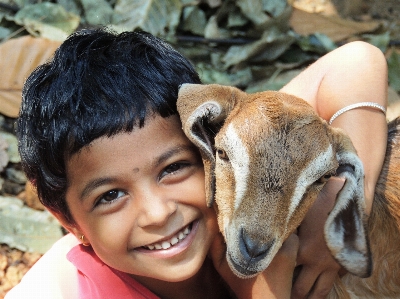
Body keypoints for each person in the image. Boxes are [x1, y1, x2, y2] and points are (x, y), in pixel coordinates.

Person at [5, 28, 387, 299]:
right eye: (111, 195)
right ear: (70, 223)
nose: (157, 213)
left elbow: (357, 61)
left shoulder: (242, 160)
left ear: (205, 137)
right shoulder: (60, 292)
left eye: (172, 169)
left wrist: (338, 207)